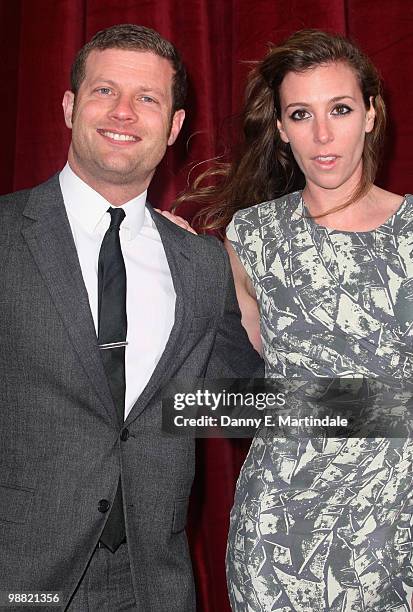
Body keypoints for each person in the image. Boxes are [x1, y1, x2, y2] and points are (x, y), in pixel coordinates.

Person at [0, 24, 262, 611]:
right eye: (104, 92)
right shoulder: (4, 237)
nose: (124, 113)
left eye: (147, 98)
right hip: (18, 580)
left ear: (173, 127)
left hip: (154, 587)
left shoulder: (199, 265)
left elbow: (243, 405)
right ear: (69, 107)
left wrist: (390, 409)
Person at [178, 29, 413, 611]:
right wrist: (182, 265)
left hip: (396, 534)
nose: (324, 135)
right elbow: (235, 396)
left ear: (370, 115)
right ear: (282, 128)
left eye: (340, 109)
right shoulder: (251, 236)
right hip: (277, 532)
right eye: (301, 114)